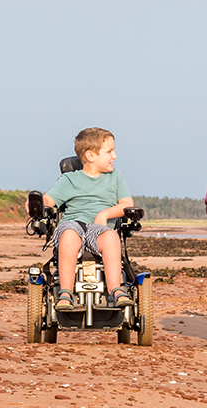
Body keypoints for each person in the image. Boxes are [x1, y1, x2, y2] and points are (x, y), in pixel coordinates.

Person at [43, 127, 135, 311]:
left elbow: (127, 204)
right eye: (109, 151)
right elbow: (49, 200)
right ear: (91, 156)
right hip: (72, 223)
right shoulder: (70, 180)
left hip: (99, 228)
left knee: (111, 237)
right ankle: (65, 293)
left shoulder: (115, 177)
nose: (114, 156)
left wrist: (104, 214)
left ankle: (116, 290)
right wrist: (36, 203)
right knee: (69, 234)